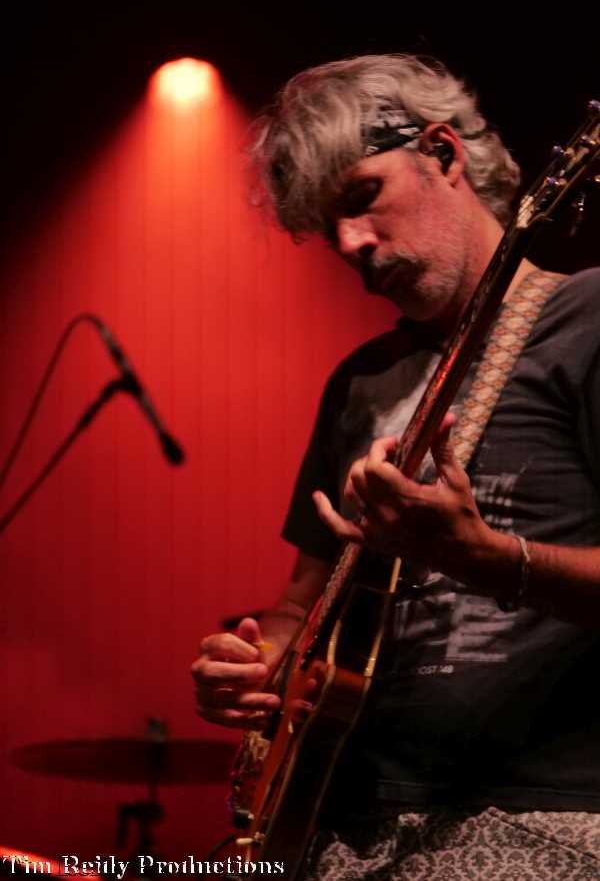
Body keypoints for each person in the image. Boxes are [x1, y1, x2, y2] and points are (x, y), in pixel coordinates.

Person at [191, 54, 600, 878]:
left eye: (361, 198)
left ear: (443, 154)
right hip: (341, 817)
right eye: (329, 228)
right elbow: (301, 603)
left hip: (544, 818)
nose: (352, 245)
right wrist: (255, 664)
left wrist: (491, 559)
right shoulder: (362, 381)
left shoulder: (587, 318)